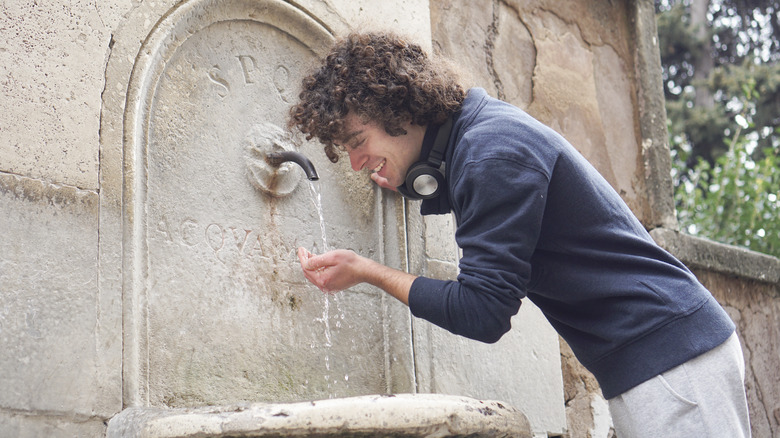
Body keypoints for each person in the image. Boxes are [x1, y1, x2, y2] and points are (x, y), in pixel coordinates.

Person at [288, 31, 751, 437]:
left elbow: (482, 312)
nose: (354, 163)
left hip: (670, 358)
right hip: (655, 357)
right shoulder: (482, 136)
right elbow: (488, 208)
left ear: (395, 110)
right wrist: (405, 176)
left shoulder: (492, 153)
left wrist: (367, 270)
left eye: (357, 142)